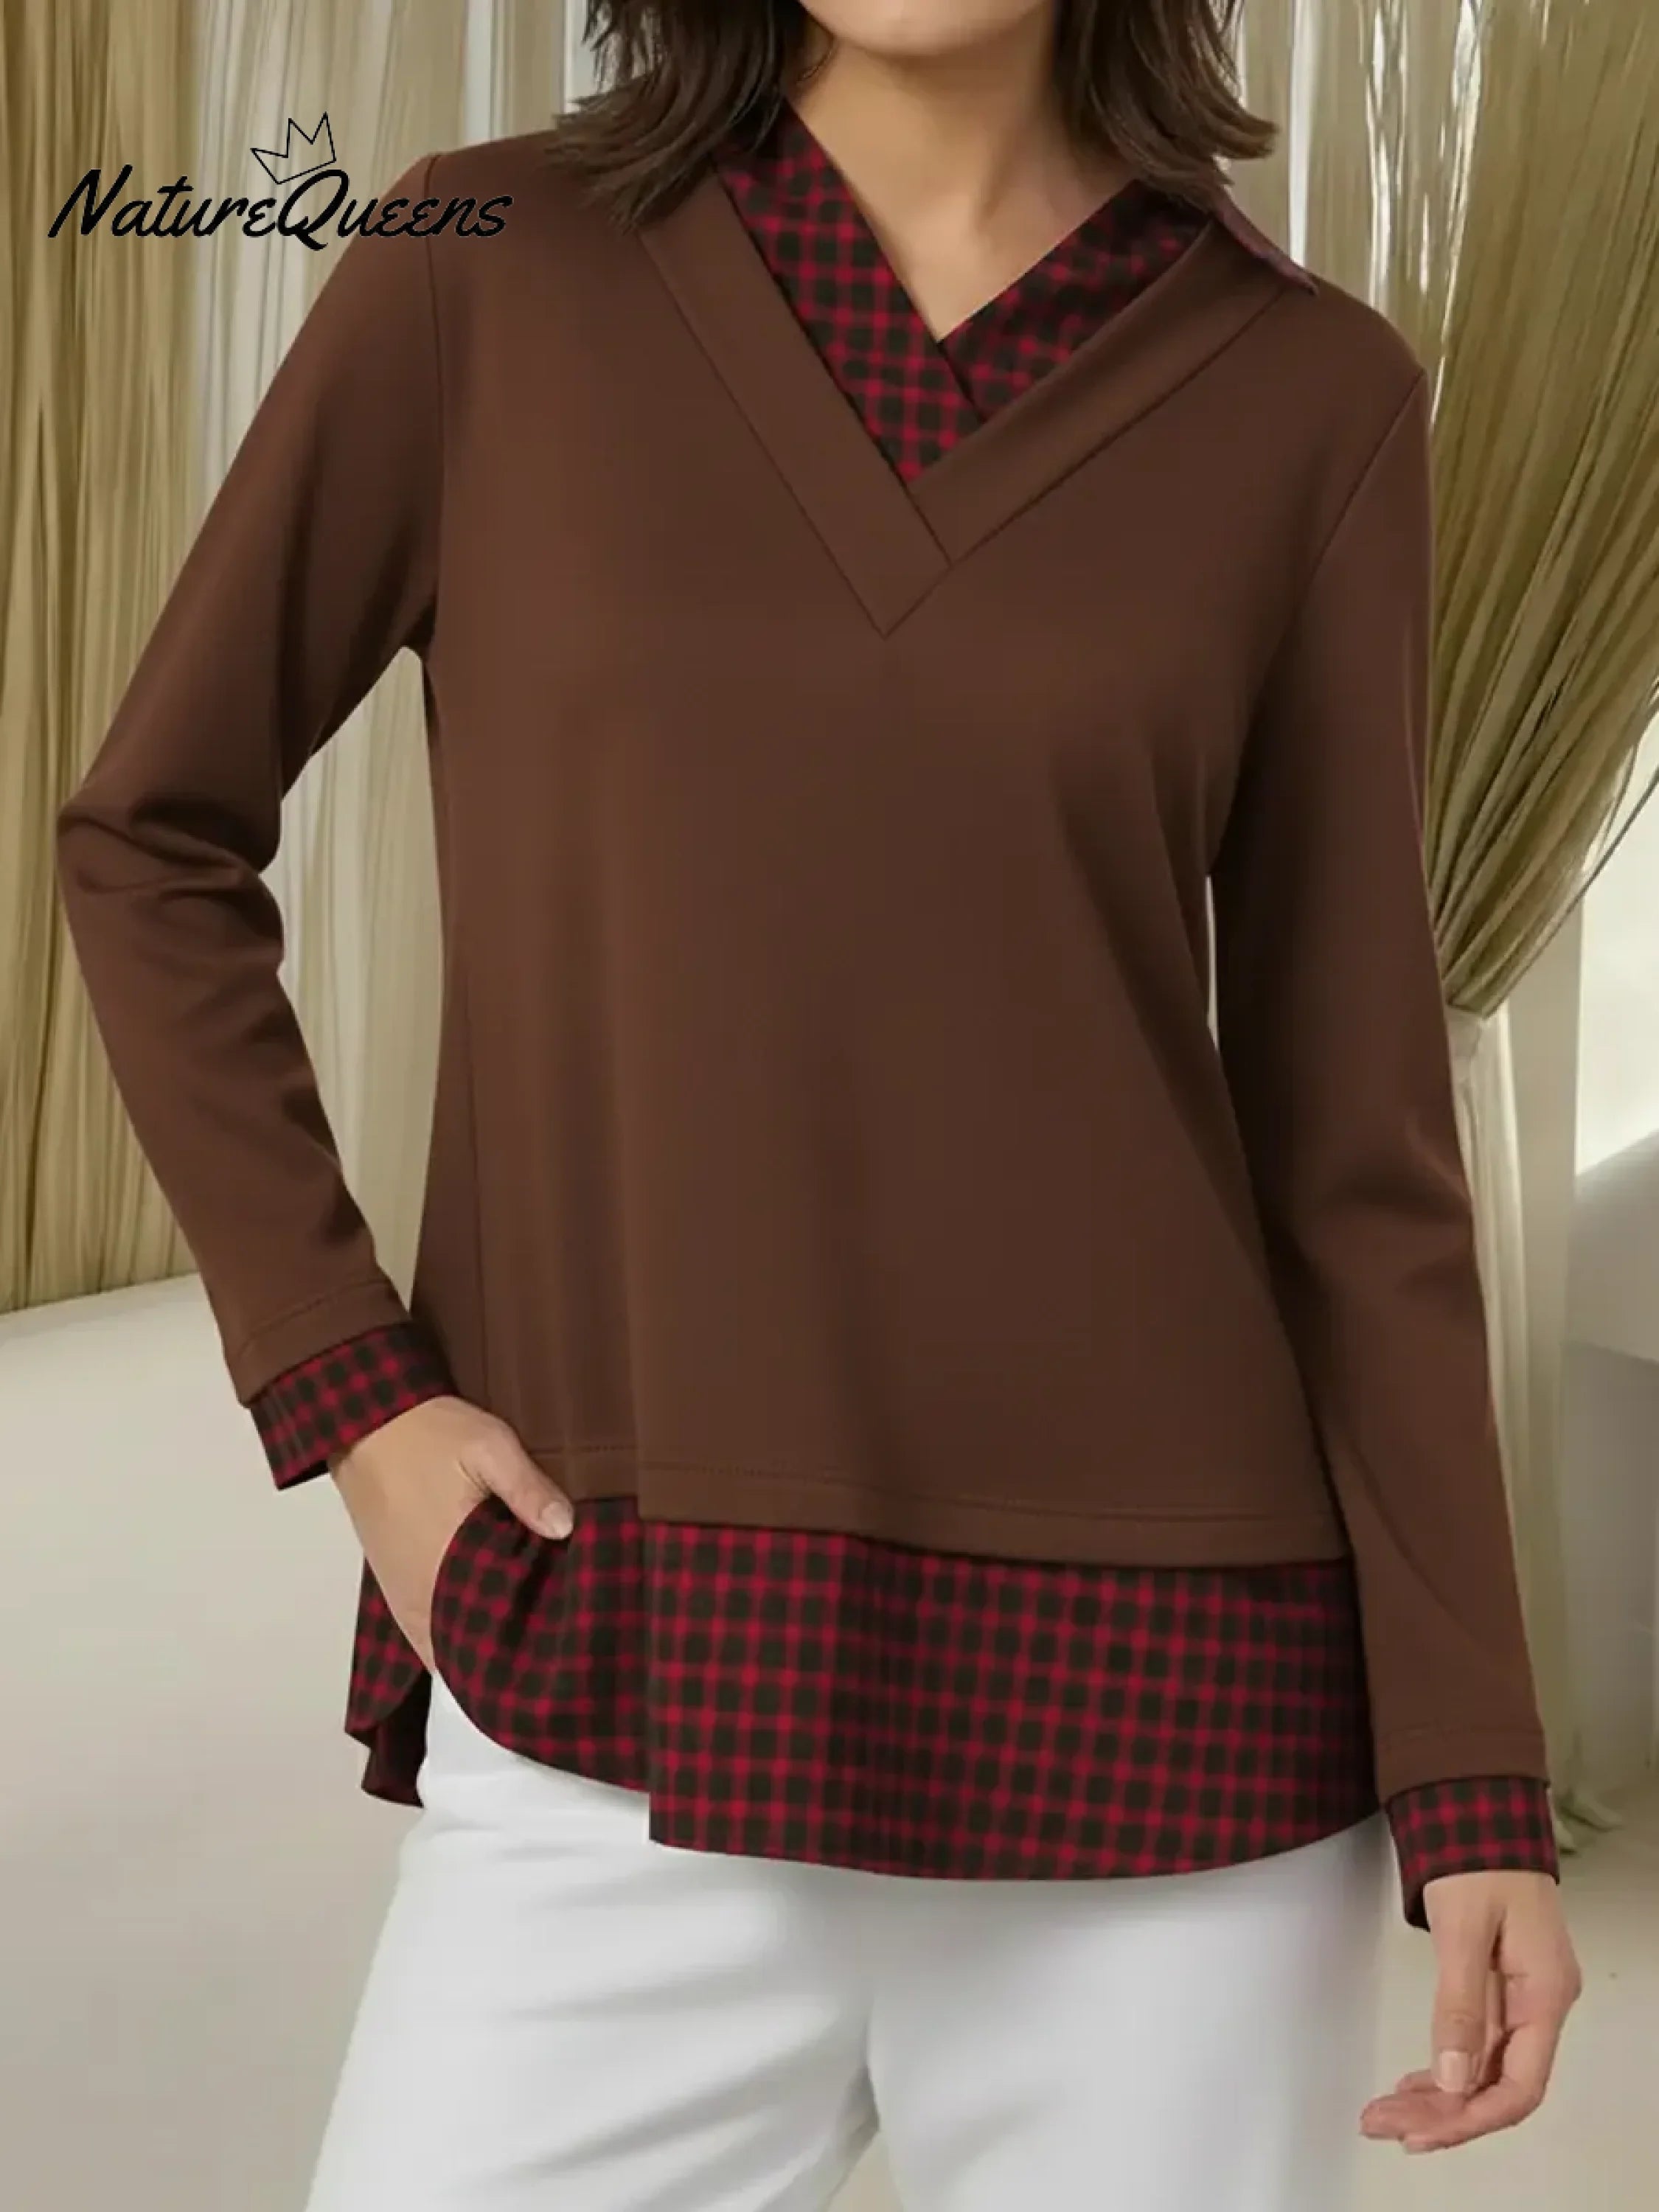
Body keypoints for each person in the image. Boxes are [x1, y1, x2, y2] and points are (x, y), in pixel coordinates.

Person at [56, 2, 1583, 2205]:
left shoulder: (1307, 395)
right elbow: (148, 840)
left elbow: (1356, 1149)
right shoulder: (485, 265)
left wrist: (1469, 1771)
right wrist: (351, 1397)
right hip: (622, 1660)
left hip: (1174, 1739)